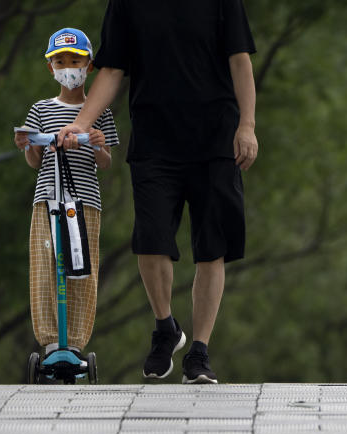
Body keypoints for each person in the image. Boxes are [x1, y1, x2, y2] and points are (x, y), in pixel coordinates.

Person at [56, 1, 258, 384]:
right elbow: (113, 68)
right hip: (154, 139)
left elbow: (239, 60)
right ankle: (165, 327)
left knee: (211, 246)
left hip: (216, 138)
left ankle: (199, 352)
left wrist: (246, 125)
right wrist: (80, 124)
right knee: (150, 240)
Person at [15, 27, 119, 359]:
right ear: (51, 68)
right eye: (60, 61)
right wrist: (29, 144)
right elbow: (35, 161)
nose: (68, 67)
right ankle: (49, 341)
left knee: (82, 266)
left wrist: (99, 145)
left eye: (74, 60)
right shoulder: (41, 110)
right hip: (47, 199)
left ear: (89, 66)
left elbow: (105, 163)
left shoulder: (99, 109)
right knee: (46, 265)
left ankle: (74, 341)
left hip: (85, 200)